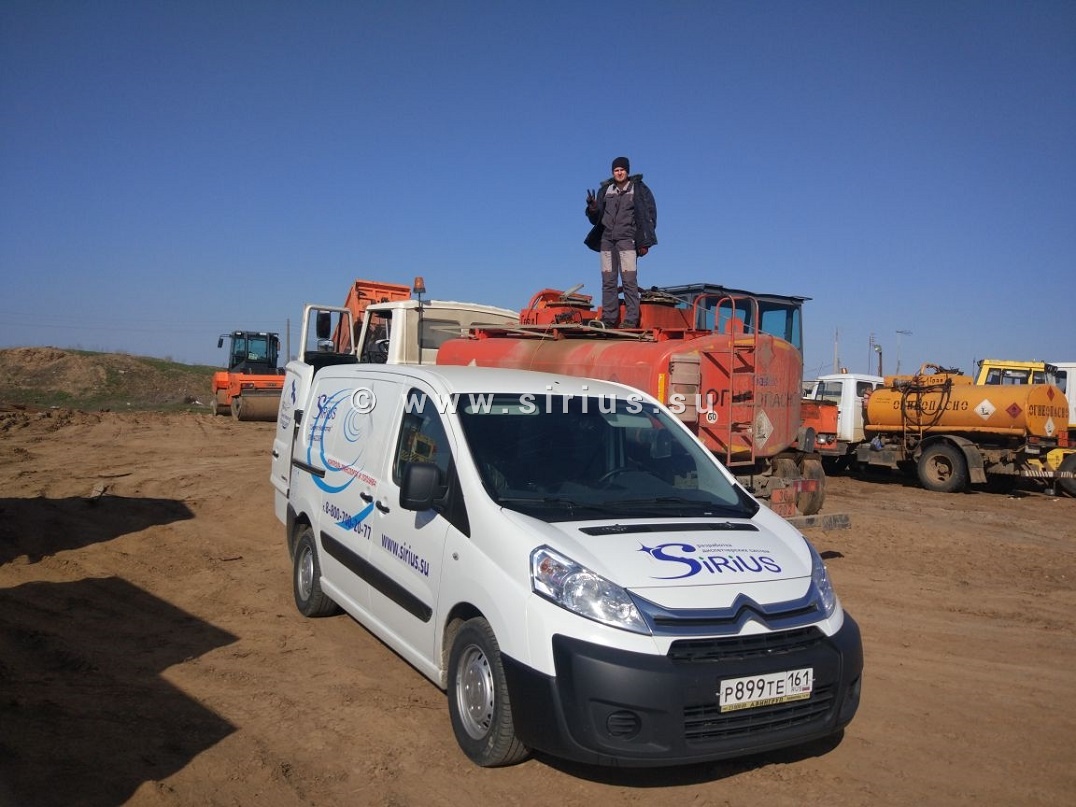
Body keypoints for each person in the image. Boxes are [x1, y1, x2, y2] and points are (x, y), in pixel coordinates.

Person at [584, 156, 657, 328]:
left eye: (622, 170)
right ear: (612, 172)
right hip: (606, 240)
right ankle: (608, 320)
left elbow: (649, 214)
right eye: (616, 170)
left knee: (629, 280)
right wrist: (592, 208)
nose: (619, 173)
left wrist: (644, 241)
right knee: (608, 281)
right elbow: (595, 219)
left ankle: (631, 320)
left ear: (627, 171)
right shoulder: (605, 190)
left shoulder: (638, 189)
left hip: (627, 240)